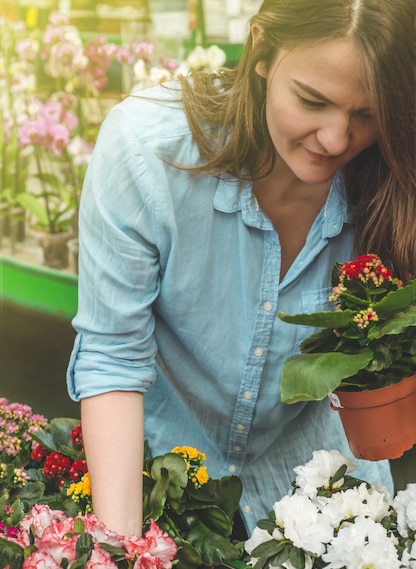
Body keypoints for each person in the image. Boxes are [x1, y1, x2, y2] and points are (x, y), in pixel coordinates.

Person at [67, 0, 416, 538]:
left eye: (366, 115)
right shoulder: (148, 152)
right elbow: (112, 357)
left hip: (327, 504)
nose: (336, 140)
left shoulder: (391, 174)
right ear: (260, 51)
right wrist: (124, 557)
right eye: (312, 101)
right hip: (171, 486)